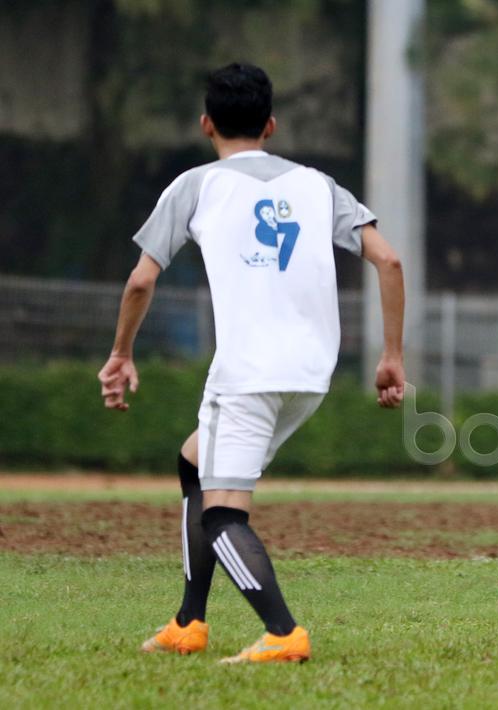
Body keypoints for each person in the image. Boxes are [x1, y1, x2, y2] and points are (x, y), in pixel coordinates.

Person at [97, 63, 407, 663]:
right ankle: (189, 621)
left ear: (205, 124)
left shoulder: (195, 185)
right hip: (311, 374)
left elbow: (140, 282)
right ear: (271, 125)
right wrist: (392, 356)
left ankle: (284, 634)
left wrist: (120, 353)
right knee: (194, 463)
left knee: (222, 515)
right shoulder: (319, 186)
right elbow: (389, 262)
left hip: (247, 375)